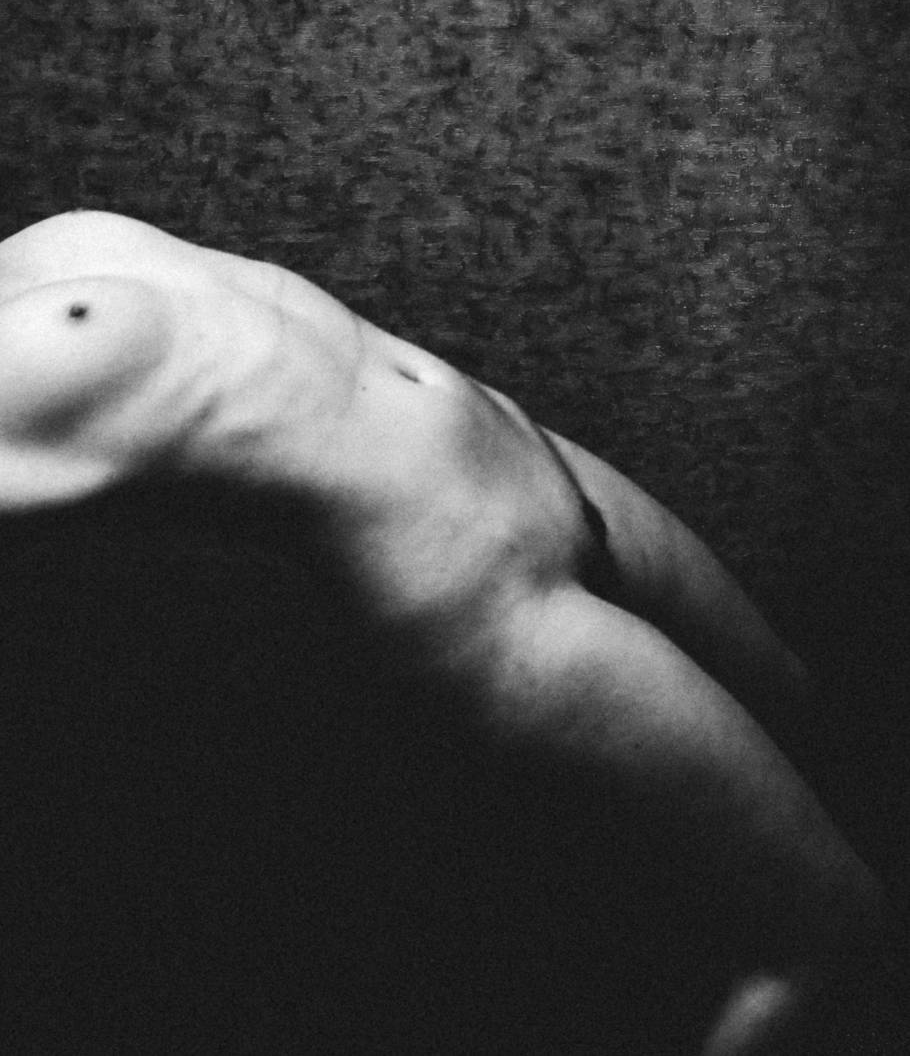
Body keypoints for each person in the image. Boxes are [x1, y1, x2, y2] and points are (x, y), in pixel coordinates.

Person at [0, 209, 900, 1054]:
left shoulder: (37, 252)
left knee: (791, 692)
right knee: (824, 943)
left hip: (518, 451)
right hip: (491, 602)